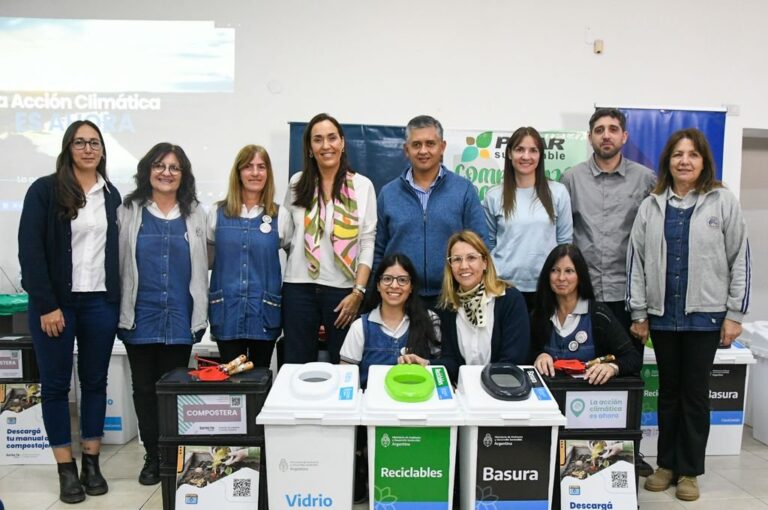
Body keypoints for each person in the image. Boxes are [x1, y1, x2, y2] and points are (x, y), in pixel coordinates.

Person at [627, 128, 751, 501]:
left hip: (706, 316)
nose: (684, 161)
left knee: (695, 395)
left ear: (703, 162)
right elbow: (637, 261)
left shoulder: (722, 201)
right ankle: (666, 464)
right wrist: (638, 311)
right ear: (668, 161)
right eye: (678, 154)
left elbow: (739, 259)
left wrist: (734, 314)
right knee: (667, 392)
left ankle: (689, 471)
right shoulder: (651, 205)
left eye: (692, 155)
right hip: (663, 316)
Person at [18, 120, 121, 503]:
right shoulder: (44, 191)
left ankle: (92, 463)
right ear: (68, 148)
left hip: (100, 302)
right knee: (57, 386)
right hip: (56, 306)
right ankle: (66, 469)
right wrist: (46, 304)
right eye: (80, 142)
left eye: (94, 142)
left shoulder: (111, 195)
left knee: (95, 383)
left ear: (102, 150)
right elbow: (30, 252)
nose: (88, 149)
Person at [117, 143, 208, 486]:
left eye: (174, 167)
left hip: (180, 315)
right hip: (140, 314)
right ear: (147, 170)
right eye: (159, 165)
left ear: (183, 175)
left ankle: (174, 454)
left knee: (173, 389)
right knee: (143, 389)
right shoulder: (128, 210)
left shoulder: (196, 213)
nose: (166, 173)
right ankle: (153, 457)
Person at [282, 113, 377, 364]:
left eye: (332, 138)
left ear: (343, 143)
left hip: (344, 292)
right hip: (298, 288)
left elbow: (367, 242)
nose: (326, 145)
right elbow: (288, 237)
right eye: (318, 139)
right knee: (296, 366)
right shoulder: (297, 183)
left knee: (345, 366)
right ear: (310, 148)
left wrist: (359, 291)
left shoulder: (363, 186)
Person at [374, 115, 488, 310]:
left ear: (442, 147)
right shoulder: (388, 193)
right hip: (401, 298)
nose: (423, 150)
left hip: (453, 297)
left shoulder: (464, 190)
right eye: (416, 144)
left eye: (430, 144)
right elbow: (378, 249)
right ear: (406, 149)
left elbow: (480, 242)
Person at [561, 108, 655, 335]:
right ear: (589, 136)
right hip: (583, 292)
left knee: (626, 366)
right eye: (599, 130)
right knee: (581, 366)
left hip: (628, 296)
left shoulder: (645, 179)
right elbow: (562, 237)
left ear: (624, 136)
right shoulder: (571, 179)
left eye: (613, 129)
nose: (606, 135)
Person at [207, 145, 289, 367]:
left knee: (260, 380)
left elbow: (294, 260)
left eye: (261, 167)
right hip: (227, 312)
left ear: (268, 173)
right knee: (232, 385)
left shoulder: (281, 215)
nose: (255, 173)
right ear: (238, 172)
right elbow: (206, 260)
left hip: (264, 313)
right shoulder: (216, 212)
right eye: (248, 167)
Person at [483, 126, 572, 310]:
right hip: (504, 287)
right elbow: (488, 243)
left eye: (533, 150)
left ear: (540, 155)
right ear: (509, 154)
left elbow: (564, 242)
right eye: (519, 149)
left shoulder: (558, 192)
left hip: (547, 287)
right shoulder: (494, 195)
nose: (526, 156)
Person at [530, 244, 641, 385]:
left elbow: (633, 357)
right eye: (555, 270)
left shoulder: (599, 315)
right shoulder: (538, 315)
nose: (561, 277)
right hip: (548, 398)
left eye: (569, 271)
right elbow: (525, 354)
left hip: (590, 399)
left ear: (580, 275)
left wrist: (612, 367)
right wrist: (539, 355)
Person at [434, 230, 530, 383]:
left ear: (485, 262)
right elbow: (452, 362)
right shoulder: (448, 306)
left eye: (471, 258)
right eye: (457, 259)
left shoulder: (510, 300)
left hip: (502, 389)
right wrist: (427, 365)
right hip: (465, 391)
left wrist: (480, 388)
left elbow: (513, 359)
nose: (464, 266)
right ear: (450, 266)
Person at [339, 253, 441, 387]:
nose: (394, 285)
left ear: (411, 287)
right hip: (371, 404)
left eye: (402, 280)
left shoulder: (430, 319)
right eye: (387, 279)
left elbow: (441, 368)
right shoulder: (360, 327)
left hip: (417, 403)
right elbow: (345, 379)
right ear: (377, 285)